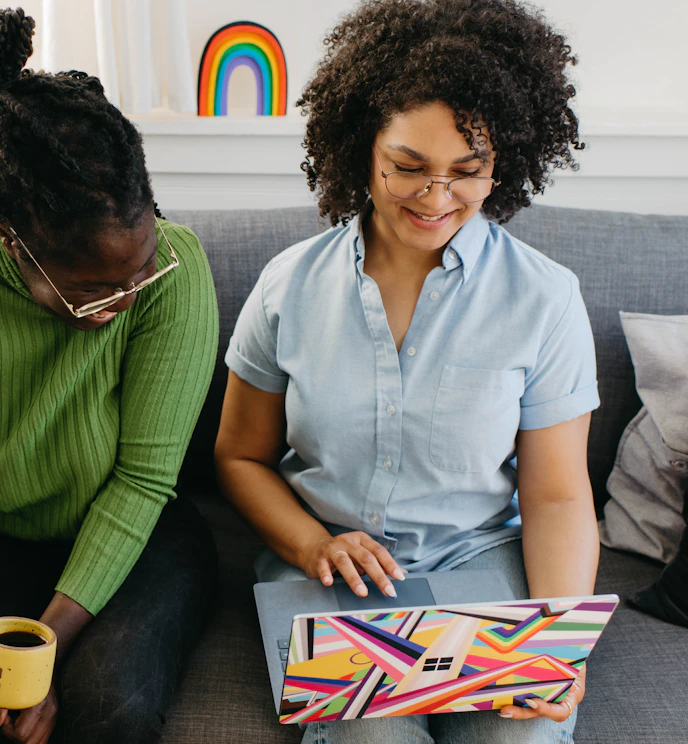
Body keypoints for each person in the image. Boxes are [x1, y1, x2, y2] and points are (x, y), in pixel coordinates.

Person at [214, 1, 598, 742]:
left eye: (467, 172)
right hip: (329, 570)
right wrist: (309, 543)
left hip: (480, 564)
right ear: (362, 148)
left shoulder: (545, 298)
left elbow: (554, 495)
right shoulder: (287, 286)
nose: (435, 198)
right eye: (408, 168)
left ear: (502, 164)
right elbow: (238, 455)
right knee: (370, 737)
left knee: (519, 734)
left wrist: (560, 646)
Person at [0, 4, 219, 743]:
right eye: (90, 289)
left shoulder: (177, 275)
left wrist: (46, 641)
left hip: (141, 533)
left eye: (139, 272)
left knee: (109, 708)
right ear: (11, 240)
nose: (123, 302)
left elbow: (144, 481)